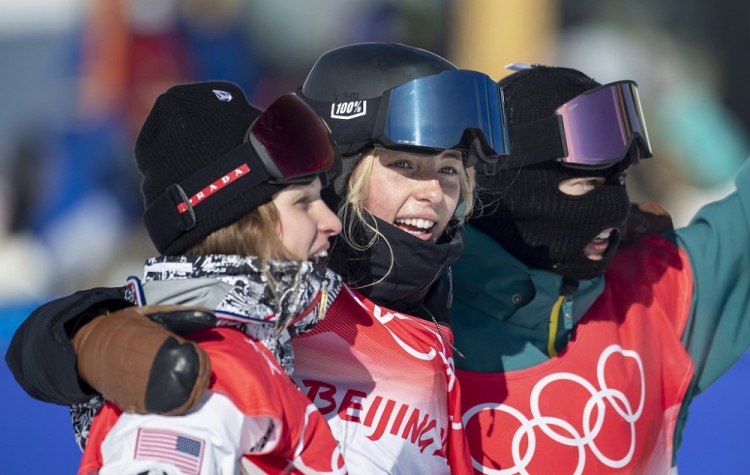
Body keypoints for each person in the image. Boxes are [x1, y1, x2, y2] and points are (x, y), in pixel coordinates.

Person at [7, 42, 510, 474]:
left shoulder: (455, 291)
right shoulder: (294, 296)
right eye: (404, 165)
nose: (433, 194)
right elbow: (195, 292)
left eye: (449, 170)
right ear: (344, 175)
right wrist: (93, 336)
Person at [452, 64, 750, 473]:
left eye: (620, 180)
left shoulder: (656, 293)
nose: (612, 208)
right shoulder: (420, 311)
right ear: (515, 185)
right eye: (588, 185)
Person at [71, 81, 348, 474]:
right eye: (302, 202)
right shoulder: (198, 371)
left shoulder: (247, 349)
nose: (331, 221)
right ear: (241, 224)